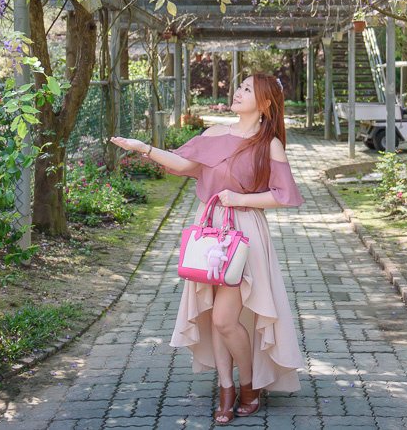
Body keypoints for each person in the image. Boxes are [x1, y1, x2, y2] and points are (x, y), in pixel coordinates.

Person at [110, 72, 305, 425]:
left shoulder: (269, 144)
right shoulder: (214, 134)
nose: (238, 91)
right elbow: (185, 166)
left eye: (247, 89)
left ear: (265, 104)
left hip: (244, 232)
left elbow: (285, 196)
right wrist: (144, 149)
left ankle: (249, 387)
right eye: (239, 85)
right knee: (217, 315)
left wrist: (241, 198)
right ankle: (226, 389)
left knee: (223, 318)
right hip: (210, 229)